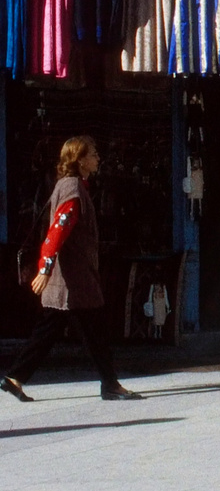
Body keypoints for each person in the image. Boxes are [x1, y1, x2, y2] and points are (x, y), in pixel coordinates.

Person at [3, 137, 141, 403]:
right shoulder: (73, 190)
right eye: (94, 154)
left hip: (72, 279)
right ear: (80, 160)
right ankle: (110, 384)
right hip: (74, 280)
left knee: (55, 330)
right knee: (92, 330)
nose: (98, 158)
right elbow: (58, 230)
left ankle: (15, 378)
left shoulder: (71, 186)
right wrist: (44, 268)